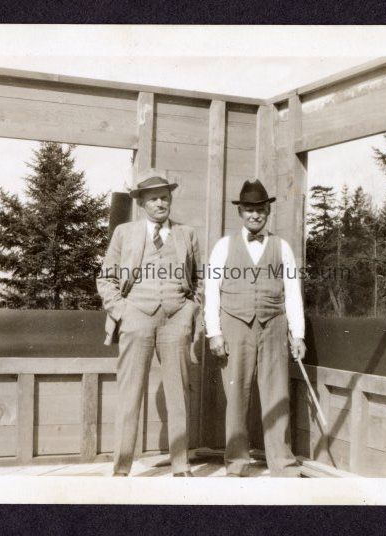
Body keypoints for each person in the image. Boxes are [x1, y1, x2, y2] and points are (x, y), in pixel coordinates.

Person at [97, 169, 203, 477]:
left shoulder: (187, 234)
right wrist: (122, 312)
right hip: (136, 317)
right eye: (154, 199)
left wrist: (190, 310)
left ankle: (181, 465)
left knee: (178, 394)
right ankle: (121, 467)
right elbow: (106, 278)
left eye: (165, 198)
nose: (160, 203)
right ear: (142, 203)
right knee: (129, 394)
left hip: (176, 319)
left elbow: (200, 278)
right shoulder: (124, 233)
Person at [204, 179, 306, 477]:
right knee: (236, 396)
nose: (255, 215)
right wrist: (214, 332)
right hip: (234, 326)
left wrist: (298, 334)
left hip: (274, 326)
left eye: (260, 209)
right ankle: (236, 462)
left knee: (277, 394)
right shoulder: (224, 246)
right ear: (241, 212)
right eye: (249, 209)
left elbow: (293, 293)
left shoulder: (281, 247)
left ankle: (282, 463)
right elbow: (211, 291)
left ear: (268, 212)